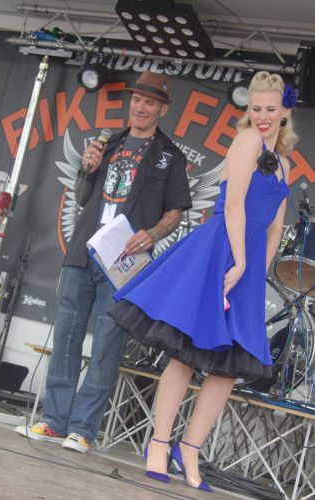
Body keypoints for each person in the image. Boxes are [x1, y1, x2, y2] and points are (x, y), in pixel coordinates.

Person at [109, 71, 297, 491]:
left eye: (270, 109)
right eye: (255, 108)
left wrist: (256, 271)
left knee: (229, 369)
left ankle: (189, 448)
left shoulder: (284, 163)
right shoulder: (246, 141)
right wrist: (240, 261)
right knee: (186, 352)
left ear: (285, 111)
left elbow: (274, 228)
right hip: (220, 251)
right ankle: (159, 443)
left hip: (247, 265)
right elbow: (233, 206)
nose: (262, 116)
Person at [16, 71, 192, 452]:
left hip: (124, 260)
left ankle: (83, 428)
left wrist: (152, 234)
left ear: (162, 109)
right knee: (65, 335)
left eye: (149, 102)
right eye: (136, 99)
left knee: (107, 345)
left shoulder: (170, 157)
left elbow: (176, 212)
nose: (140, 107)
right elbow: (82, 196)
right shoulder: (107, 144)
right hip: (84, 250)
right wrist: (87, 169)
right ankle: (53, 420)